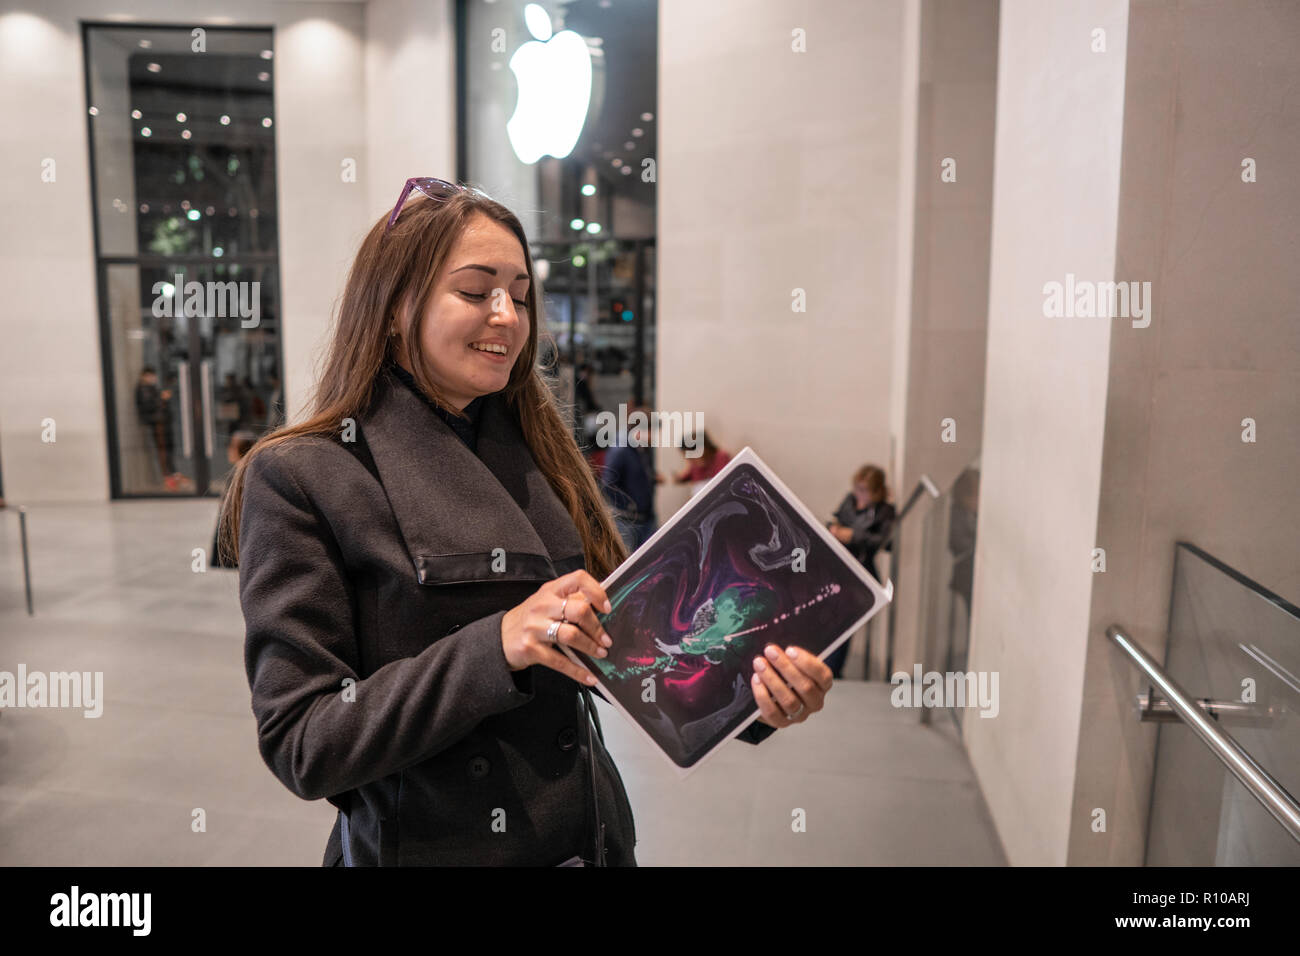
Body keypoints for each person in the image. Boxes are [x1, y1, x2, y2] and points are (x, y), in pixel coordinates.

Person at [218, 177, 838, 867]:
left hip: (588, 841)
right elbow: (305, 741)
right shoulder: (304, 474)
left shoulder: (542, 451)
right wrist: (497, 645)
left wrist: (753, 695)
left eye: (519, 293)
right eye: (476, 290)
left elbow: (632, 650)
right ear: (396, 306)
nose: (507, 315)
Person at [825, 464, 896, 679]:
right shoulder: (850, 501)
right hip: (838, 565)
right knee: (830, 618)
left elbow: (885, 542)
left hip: (860, 570)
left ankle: (833, 668)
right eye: (858, 488)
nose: (860, 494)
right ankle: (828, 664)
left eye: (864, 490)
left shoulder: (884, 511)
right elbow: (834, 520)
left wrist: (852, 535)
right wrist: (836, 530)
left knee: (845, 621)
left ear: (876, 491)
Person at [600, 401, 660, 552]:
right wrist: (628, 504)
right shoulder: (619, 451)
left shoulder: (641, 449)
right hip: (627, 521)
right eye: (652, 431)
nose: (654, 436)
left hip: (645, 518)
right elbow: (608, 484)